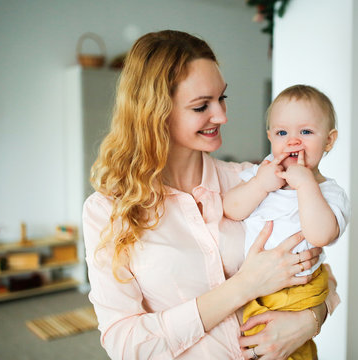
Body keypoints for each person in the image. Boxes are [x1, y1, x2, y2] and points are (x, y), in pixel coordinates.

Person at [82, 30, 340, 360]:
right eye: (201, 106)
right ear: (155, 113)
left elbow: (319, 269)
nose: (221, 116)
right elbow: (125, 344)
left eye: (222, 99)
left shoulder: (253, 180)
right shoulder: (107, 211)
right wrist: (245, 286)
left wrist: (309, 320)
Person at [223, 85, 351, 359]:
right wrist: (260, 184)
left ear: (329, 141)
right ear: (270, 137)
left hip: (300, 289)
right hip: (257, 290)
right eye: (282, 133)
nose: (293, 141)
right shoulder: (264, 174)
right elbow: (231, 209)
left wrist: (306, 185)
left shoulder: (329, 192)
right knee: (257, 344)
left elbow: (321, 235)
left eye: (305, 132)